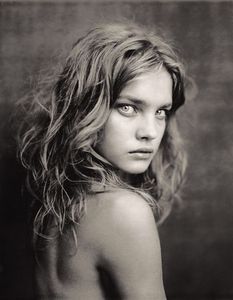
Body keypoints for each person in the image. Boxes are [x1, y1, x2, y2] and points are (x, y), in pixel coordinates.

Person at [17, 22, 187, 300]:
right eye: (128, 107)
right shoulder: (125, 210)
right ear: (86, 107)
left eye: (161, 111)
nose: (151, 132)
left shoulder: (54, 203)